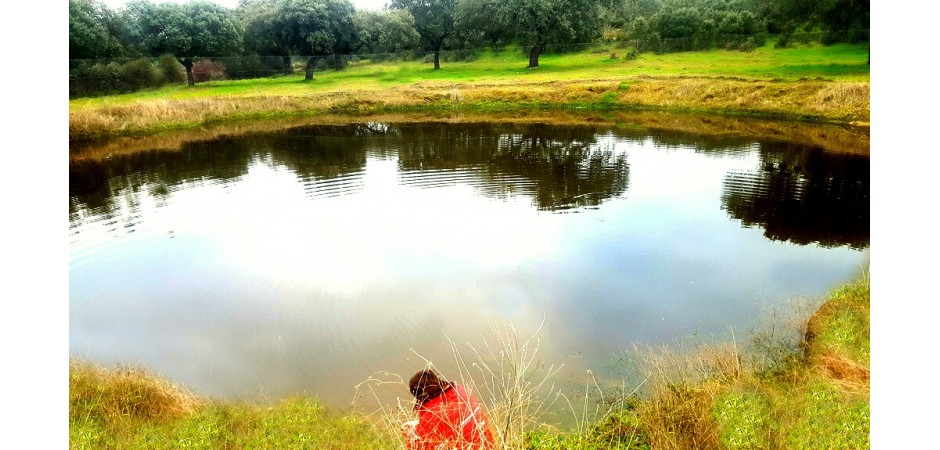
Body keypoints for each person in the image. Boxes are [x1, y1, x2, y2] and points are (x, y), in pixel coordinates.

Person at [403, 368, 495, 450]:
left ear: (421, 396)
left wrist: (411, 433)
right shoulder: (459, 390)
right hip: (489, 445)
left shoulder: (430, 416)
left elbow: (419, 446)